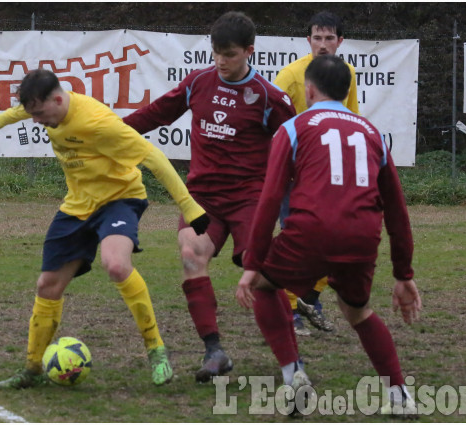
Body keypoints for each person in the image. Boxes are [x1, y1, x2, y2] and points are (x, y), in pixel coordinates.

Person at [0, 68, 210, 389]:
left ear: (58, 99)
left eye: (41, 113)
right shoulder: (47, 108)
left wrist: (189, 206)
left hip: (120, 199)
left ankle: (156, 349)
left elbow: (154, 158)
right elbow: (23, 110)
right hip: (77, 206)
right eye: (33, 114)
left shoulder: (99, 124)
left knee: (116, 264)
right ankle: (32, 370)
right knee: (47, 285)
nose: (37, 121)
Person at [236, 55, 421, 415]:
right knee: (358, 311)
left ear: (308, 89)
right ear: (348, 90)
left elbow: (271, 199)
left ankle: (294, 378)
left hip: (311, 231)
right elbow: (397, 211)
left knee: (263, 284)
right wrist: (403, 274)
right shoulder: (371, 132)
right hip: (362, 237)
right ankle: (400, 396)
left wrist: (252, 262)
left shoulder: (292, 128)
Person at [123, 11, 299, 384]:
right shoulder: (199, 82)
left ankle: (291, 361)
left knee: (262, 277)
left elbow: (296, 146)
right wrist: (108, 131)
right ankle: (214, 350)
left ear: (249, 51)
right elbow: (156, 114)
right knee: (191, 256)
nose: (221, 61)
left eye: (230, 54)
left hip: (251, 198)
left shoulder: (269, 97)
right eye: (216, 52)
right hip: (202, 198)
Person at [273, 11, 360, 337]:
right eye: (317, 38)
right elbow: (273, 122)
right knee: (296, 241)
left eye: (329, 38)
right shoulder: (289, 76)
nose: (323, 45)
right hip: (296, 176)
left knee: (334, 240)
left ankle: (307, 301)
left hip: (332, 174)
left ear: (340, 41)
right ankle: (293, 310)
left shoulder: (347, 73)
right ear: (308, 40)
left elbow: (351, 119)